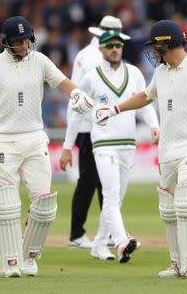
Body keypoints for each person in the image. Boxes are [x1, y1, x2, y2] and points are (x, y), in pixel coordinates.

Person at [93, 20, 187, 279]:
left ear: (167, 44)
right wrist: (115, 109)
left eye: (155, 47)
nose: (153, 52)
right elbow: (145, 96)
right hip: (168, 150)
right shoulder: (161, 73)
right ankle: (177, 264)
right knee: (168, 208)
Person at [0, 16, 93, 278]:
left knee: (44, 205)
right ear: (6, 42)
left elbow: (64, 82)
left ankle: (29, 256)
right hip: (2, 139)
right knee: (8, 203)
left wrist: (78, 94)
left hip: (35, 138)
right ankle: (10, 262)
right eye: (17, 41)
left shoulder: (40, 60)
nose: (23, 45)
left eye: (26, 40)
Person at [80, 30, 159, 262]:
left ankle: (99, 244)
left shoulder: (134, 73)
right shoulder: (91, 77)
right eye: (110, 46)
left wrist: (154, 125)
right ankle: (123, 242)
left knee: (117, 197)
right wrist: (67, 144)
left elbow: (145, 102)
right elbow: (77, 111)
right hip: (103, 143)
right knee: (111, 195)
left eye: (118, 45)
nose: (115, 49)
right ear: (101, 49)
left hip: (127, 143)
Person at [59, 16, 131, 249]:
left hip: (88, 126)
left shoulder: (83, 53)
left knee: (98, 182)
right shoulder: (95, 58)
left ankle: (107, 232)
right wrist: (67, 144)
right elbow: (83, 98)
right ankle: (83, 234)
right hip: (94, 127)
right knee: (94, 182)